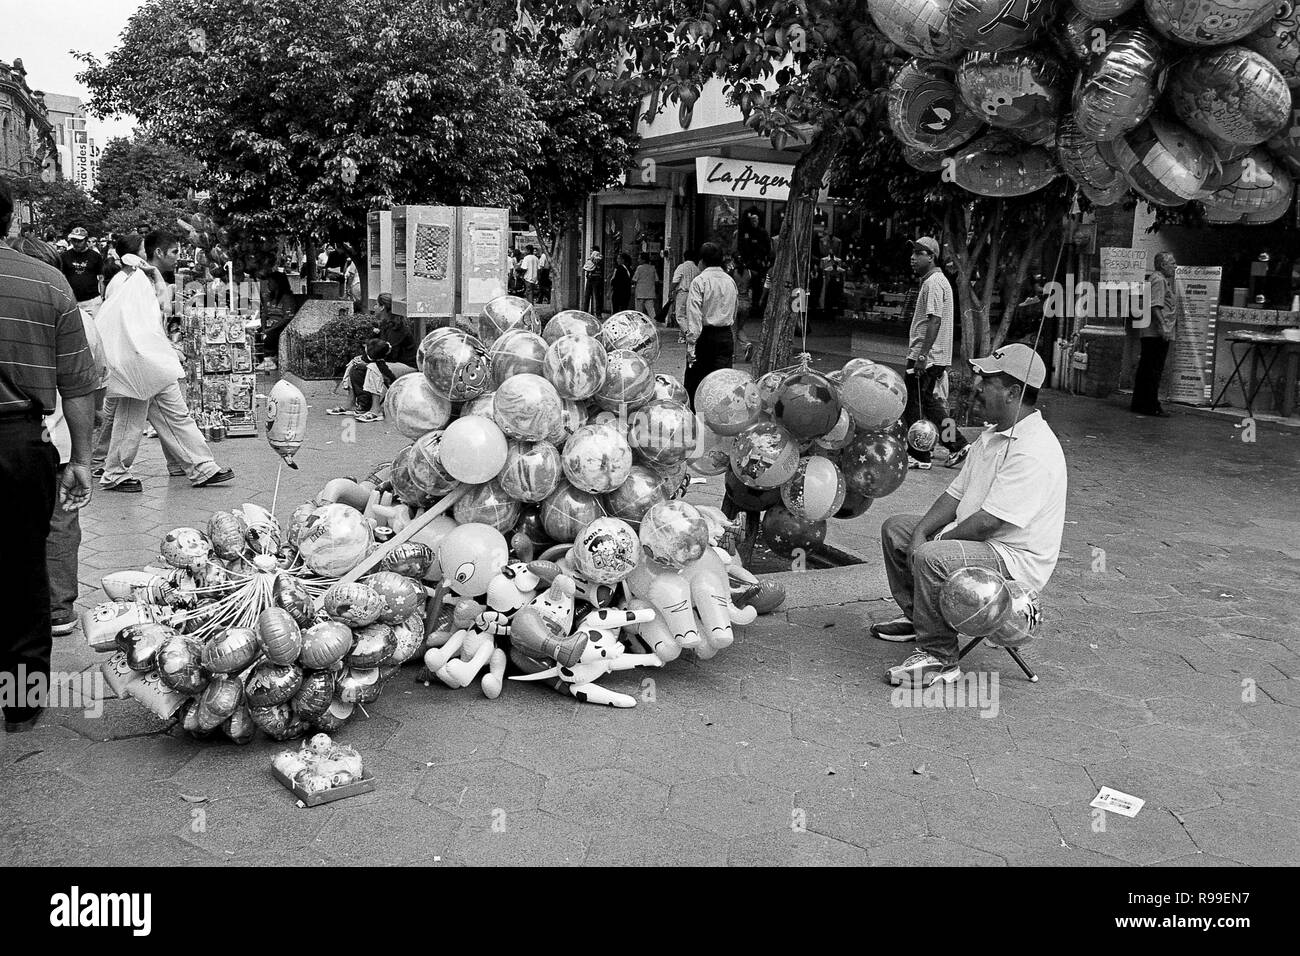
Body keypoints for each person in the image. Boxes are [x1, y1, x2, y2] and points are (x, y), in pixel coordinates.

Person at [874, 344, 1067, 689]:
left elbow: (990, 523)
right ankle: (919, 619)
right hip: (982, 542)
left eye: (986, 380)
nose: (975, 385)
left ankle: (940, 657)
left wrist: (935, 542)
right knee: (897, 530)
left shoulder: (1034, 449)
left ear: (1012, 392)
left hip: (1012, 558)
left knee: (933, 556)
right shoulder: (992, 436)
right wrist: (921, 531)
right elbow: (955, 494)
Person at [0, 176, 99, 731]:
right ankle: (21, 702)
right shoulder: (49, 283)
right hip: (21, 443)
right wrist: (81, 459)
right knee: (24, 571)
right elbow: (77, 382)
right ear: (9, 220)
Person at [98, 230, 234, 491]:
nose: (177, 257)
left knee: (172, 415)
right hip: (139, 361)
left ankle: (201, 467)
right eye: (173, 252)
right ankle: (115, 473)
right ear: (158, 252)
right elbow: (157, 311)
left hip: (147, 361)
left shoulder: (142, 277)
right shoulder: (138, 280)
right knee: (133, 420)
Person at [902, 236, 970, 471]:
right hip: (934, 356)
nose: (912, 258)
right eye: (912, 253)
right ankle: (953, 445)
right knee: (929, 404)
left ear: (931, 257)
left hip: (926, 357)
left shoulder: (932, 283)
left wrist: (922, 355)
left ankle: (921, 453)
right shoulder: (938, 281)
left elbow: (934, 321)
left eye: (918, 253)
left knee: (916, 405)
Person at [328, 293, 417, 421]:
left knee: (373, 367)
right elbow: (374, 349)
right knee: (354, 364)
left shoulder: (398, 328)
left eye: (377, 304)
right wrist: (362, 359)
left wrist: (368, 362)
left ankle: (376, 409)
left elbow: (390, 355)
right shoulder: (384, 325)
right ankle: (352, 402)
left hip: (406, 365)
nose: (374, 307)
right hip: (387, 362)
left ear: (382, 307)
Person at [682, 242, 738, 407]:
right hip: (725, 336)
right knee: (722, 382)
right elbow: (734, 310)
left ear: (701, 261)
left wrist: (691, 344)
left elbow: (694, 315)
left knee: (696, 382)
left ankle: (695, 420)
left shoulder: (700, 281)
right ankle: (719, 420)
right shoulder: (730, 281)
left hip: (704, 338)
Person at [1131, 252, 1180, 418]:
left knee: (1147, 367)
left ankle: (1141, 403)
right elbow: (1155, 306)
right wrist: (1164, 327)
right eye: (1172, 263)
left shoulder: (1157, 279)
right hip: (1155, 332)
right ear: (1162, 265)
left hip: (1150, 331)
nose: (1175, 266)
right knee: (1153, 369)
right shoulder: (1159, 280)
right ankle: (1150, 405)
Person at [738, 207, 772, 325]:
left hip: (758, 265)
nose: (754, 223)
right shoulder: (745, 232)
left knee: (759, 288)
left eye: (756, 221)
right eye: (752, 221)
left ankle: (757, 309)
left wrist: (762, 258)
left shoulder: (762, 233)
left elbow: (767, 248)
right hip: (748, 264)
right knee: (746, 286)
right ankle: (748, 308)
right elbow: (742, 247)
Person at [258, 271, 298, 371]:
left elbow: (287, 318)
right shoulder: (267, 296)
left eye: (270, 282)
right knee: (256, 335)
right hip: (269, 326)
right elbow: (264, 314)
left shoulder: (287, 298)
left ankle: (272, 360)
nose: (268, 284)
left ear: (277, 283)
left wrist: (270, 329)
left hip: (281, 326)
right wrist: (263, 328)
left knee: (271, 336)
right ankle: (263, 359)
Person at [60, 227, 105, 317]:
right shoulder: (64, 256)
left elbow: (101, 278)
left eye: (79, 241)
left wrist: (102, 296)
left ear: (86, 240)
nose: (76, 244)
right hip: (72, 301)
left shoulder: (95, 256)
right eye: (74, 240)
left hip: (92, 302)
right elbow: (61, 278)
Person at [666, 249, 699, 329]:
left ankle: (689, 333)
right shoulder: (696, 268)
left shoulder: (681, 267)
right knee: (689, 316)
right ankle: (684, 335)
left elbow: (675, 281)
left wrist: (670, 291)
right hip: (693, 294)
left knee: (680, 316)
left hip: (683, 293)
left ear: (684, 257)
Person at [633, 252, 658, 317]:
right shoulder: (653, 268)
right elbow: (656, 280)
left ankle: (639, 325)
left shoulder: (639, 268)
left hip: (640, 293)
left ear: (643, 260)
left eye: (639, 258)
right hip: (650, 293)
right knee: (651, 312)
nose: (638, 260)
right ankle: (654, 324)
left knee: (639, 313)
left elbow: (634, 279)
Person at [581, 246, 604, 316]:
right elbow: (586, 267)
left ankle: (598, 313)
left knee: (597, 296)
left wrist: (593, 258)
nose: (591, 252)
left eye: (592, 251)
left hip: (596, 279)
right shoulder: (590, 258)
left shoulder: (599, 257)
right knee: (587, 296)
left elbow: (597, 263)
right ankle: (585, 312)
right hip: (590, 278)